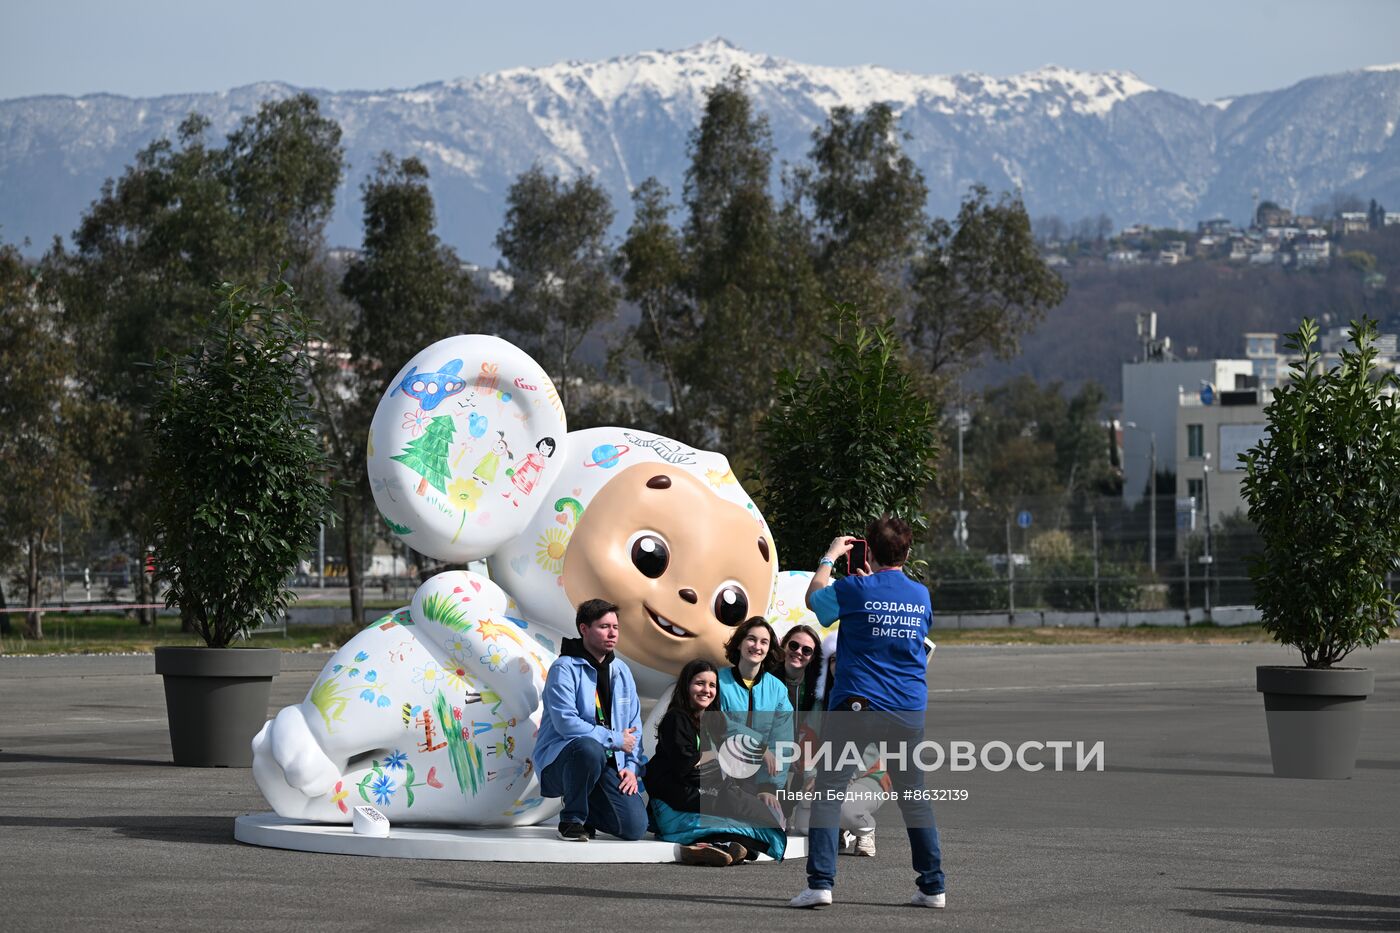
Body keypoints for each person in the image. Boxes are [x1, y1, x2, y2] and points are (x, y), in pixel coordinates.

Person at [788, 514, 946, 910]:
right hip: (907, 708)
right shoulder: (921, 595)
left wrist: (829, 557)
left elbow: (814, 599)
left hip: (858, 705)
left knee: (828, 791)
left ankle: (821, 883)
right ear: (907, 552)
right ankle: (933, 887)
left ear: (869, 550)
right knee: (914, 797)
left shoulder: (854, 588)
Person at [645, 659, 788, 865]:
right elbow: (686, 765)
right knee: (743, 826)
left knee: (754, 835)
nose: (706, 690)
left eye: (712, 685)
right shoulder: (676, 719)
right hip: (675, 806)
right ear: (686, 686)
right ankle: (700, 847)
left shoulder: (712, 720)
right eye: (699, 683)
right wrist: (718, 758)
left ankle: (718, 846)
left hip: (698, 796)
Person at [534, 598, 647, 842]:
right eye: (604, 627)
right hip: (562, 762)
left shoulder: (622, 671)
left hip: (606, 762)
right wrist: (615, 739)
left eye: (615, 627)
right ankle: (571, 820)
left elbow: (634, 727)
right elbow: (566, 723)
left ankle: (588, 813)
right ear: (584, 629)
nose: (612, 633)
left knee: (635, 827)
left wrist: (631, 767)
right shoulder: (563, 668)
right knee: (589, 747)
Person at [716, 617, 794, 825]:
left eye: (764, 642)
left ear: (769, 649)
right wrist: (758, 745)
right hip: (722, 773)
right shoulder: (717, 681)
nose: (757, 646)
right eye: (751, 639)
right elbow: (717, 724)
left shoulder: (777, 689)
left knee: (773, 823)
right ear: (739, 643)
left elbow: (782, 742)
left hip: (759, 780)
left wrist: (768, 787)